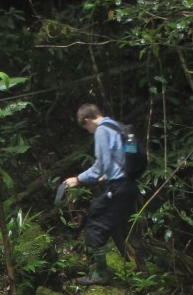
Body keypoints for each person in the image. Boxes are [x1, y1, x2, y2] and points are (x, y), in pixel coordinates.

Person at [62, 103, 148, 284]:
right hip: (129, 186)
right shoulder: (115, 125)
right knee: (127, 227)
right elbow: (117, 159)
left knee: (94, 221)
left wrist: (78, 179)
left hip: (119, 187)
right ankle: (145, 277)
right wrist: (106, 175)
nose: (90, 133)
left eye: (87, 129)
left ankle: (100, 274)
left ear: (87, 120)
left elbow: (101, 164)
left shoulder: (101, 130)